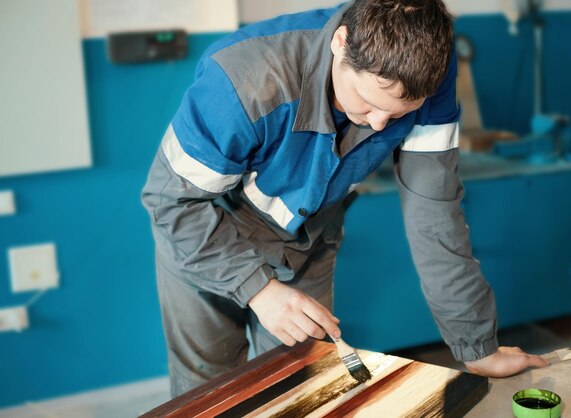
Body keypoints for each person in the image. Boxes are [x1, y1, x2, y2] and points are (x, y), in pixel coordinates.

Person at [141, 0, 547, 397]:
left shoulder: (429, 73)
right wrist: (258, 289)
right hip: (208, 236)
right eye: (368, 102)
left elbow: (435, 215)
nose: (378, 124)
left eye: (399, 114)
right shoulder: (241, 83)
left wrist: (477, 347)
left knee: (300, 389)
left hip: (308, 238)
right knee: (211, 394)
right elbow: (171, 203)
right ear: (340, 42)